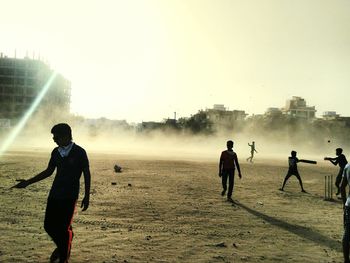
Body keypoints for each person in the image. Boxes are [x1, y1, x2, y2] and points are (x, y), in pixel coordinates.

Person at [12, 123, 91, 263]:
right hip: (55, 194)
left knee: (64, 227)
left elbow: (86, 173)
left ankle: (63, 257)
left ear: (66, 136)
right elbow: (49, 171)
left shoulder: (79, 152)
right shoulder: (55, 152)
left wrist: (87, 195)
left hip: (69, 195)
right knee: (49, 226)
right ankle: (64, 244)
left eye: (56, 136)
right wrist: (28, 182)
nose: (54, 139)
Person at [340, 162, 350, 263]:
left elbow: (342, 187)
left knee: (348, 232)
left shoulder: (347, 166)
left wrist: (344, 203)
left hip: (349, 203)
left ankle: (346, 260)